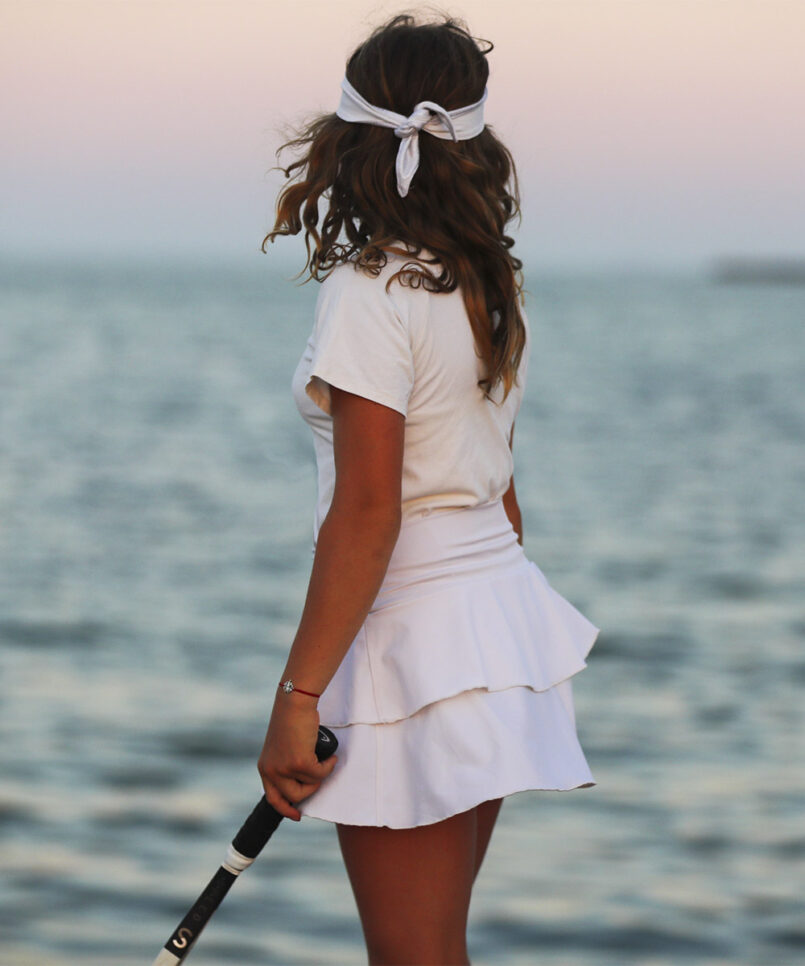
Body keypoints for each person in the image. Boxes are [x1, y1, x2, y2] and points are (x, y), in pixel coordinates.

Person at [257, 13, 600, 966]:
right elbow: (501, 489)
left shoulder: (371, 289)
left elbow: (370, 511)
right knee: (437, 950)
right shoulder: (480, 280)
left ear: (345, 139)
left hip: (416, 636)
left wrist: (297, 697)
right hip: (489, 616)